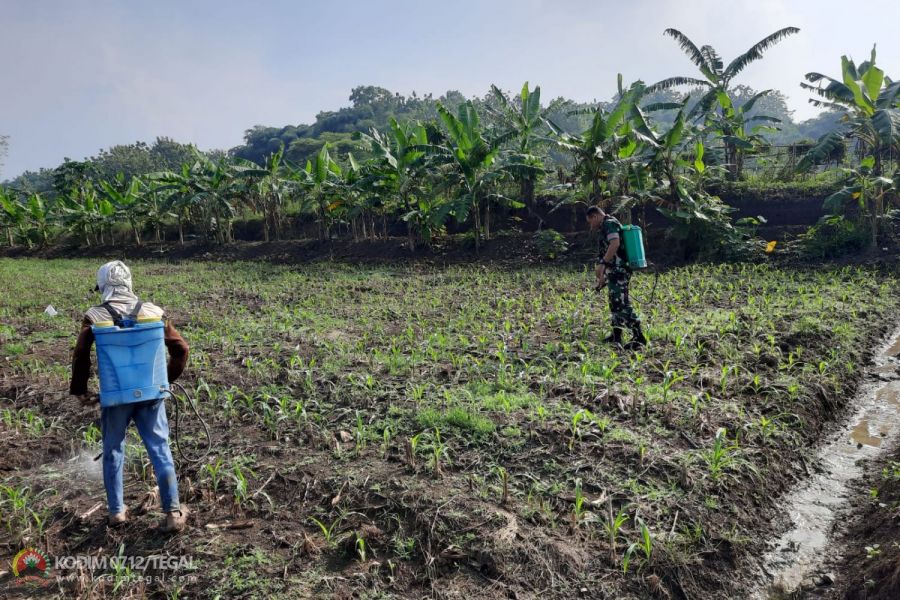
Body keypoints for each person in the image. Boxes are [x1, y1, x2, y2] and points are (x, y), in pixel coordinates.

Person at [70, 260, 190, 532]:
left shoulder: (95, 316)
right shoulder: (154, 312)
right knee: (160, 449)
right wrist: (163, 382)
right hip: (151, 396)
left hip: (116, 398)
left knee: (113, 451)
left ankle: (116, 512)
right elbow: (181, 349)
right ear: (129, 283)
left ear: (103, 286)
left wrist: (80, 390)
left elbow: (80, 356)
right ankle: (172, 512)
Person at [586, 206, 647, 350]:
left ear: (595, 216)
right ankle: (616, 335)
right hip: (614, 270)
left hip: (620, 270)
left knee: (621, 304)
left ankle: (639, 337)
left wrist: (603, 264)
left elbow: (615, 243)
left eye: (590, 222)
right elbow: (608, 251)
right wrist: (602, 277)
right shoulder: (605, 226)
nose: (591, 225)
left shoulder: (609, 223)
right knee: (614, 304)